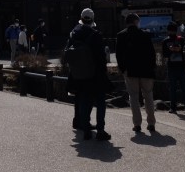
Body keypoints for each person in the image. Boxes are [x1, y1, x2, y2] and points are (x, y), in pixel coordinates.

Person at [64, 8, 112, 141]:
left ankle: (85, 129)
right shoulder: (95, 34)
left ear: (81, 18)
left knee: (83, 100)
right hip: (95, 74)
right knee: (100, 101)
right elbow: (101, 57)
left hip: (78, 74)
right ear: (93, 19)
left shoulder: (73, 33)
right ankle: (100, 130)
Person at [115, 13, 157, 133]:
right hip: (146, 70)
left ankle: (137, 124)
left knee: (133, 97)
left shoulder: (121, 35)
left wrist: (123, 69)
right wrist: (152, 67)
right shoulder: (145, 34)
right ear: (136, 21)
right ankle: (151, 123)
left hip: (130, 71)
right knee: (148, 95)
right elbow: (152, 53)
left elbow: (118, 55)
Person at [161, 21, 185, 115]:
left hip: (180, 67)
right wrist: (171, 50)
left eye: (172, 31)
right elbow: (165, 54)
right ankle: (174, 107)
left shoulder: (181, 40)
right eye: (170, 31)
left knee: (183, 88)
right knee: (174, 88)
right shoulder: (166, 41)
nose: (171, 33)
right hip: (173, 67)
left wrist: (179, 50)